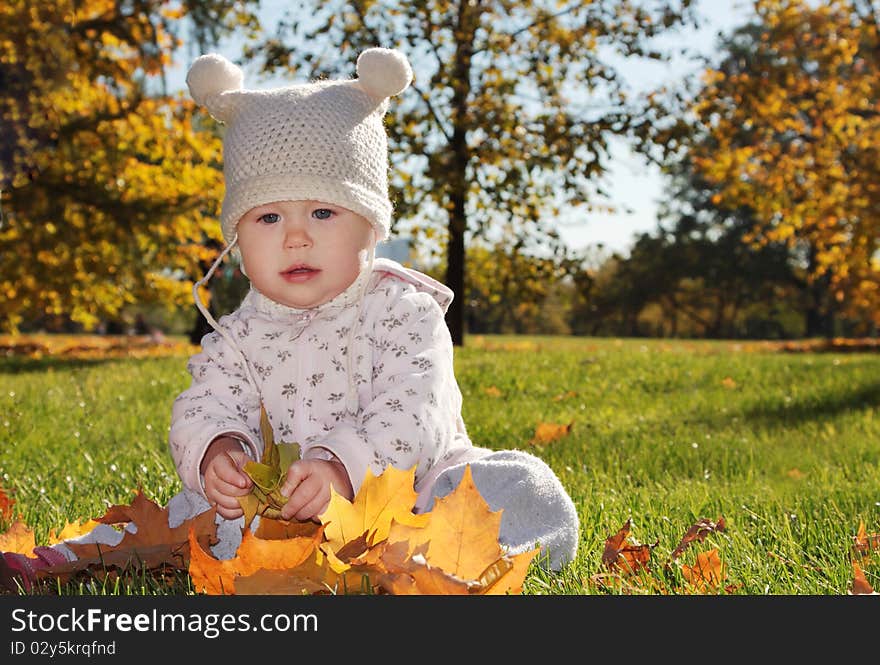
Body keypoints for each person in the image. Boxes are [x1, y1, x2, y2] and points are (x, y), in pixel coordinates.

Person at [0, 48, 579, 592]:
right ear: (237, 239)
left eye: (324, 211)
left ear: (371, 226)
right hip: (267, 514)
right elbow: (203, 405)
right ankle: (69, 560)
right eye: (269, 216)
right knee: (186, 513)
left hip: (401, 501)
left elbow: (414, 413)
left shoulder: (403, 310)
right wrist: (217, 451)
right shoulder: (238, 333)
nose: (296, 236)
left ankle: (439, 562)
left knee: (513, 486)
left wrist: (342, 468)